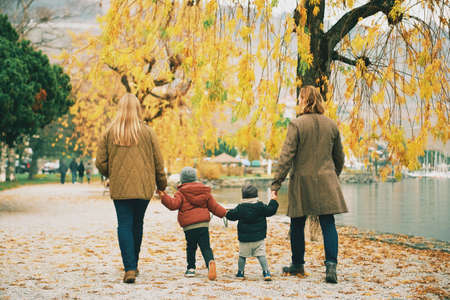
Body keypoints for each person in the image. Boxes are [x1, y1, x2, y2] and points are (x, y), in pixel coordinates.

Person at [271, 85, 348, 284]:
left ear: (305, 100)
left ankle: (298, 264)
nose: (298, 101)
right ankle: (331, 265)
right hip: (326, 181)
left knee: (297, 223)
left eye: (300, 98)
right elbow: (339, 158)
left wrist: (275, 185)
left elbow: (286, 157)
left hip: (302, 183)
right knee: (328, 224)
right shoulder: (331, 125)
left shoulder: (296, 125)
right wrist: (332, 176)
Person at [96, 93, 167, 284]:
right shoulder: (147, 132)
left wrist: (112, 173)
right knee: (138, 224)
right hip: (143, 187)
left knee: (124, 224)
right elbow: (158, 161)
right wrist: (162, 185)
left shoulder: (110, 132)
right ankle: (133, 264)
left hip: (120, 188)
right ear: (138, 109)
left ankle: (129, 268)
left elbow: (100, 162)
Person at [158, 167, 226, 281]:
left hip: (189, 226)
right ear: (195, 178)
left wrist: (164, 196)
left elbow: (173, 205)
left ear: (182, 180)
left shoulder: (180, 193)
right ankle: (210, 262)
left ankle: (191, 268)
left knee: (191, 247)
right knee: (205, 247)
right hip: (203, 224)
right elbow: (214, 207)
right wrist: (224, 213)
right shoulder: (205, 192)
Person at [225, 183, 279, 281]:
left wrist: (226, 213)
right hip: (258, 238)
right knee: (261, 255)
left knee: (242, 256)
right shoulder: (260, 206)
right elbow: (271, 211)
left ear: (243, 195)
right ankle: (266, 272)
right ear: (256, 195)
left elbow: (231, 216)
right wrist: (273, 200)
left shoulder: (240, 207)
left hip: (244, 239)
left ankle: (240, 273)